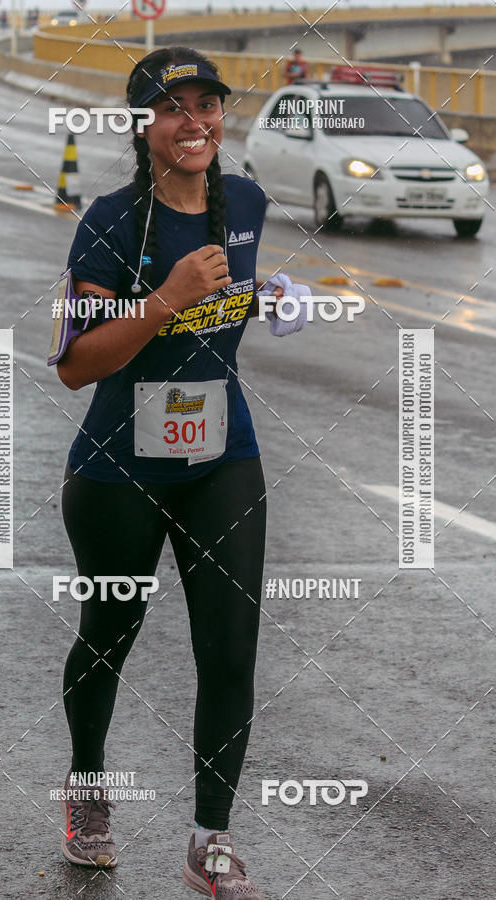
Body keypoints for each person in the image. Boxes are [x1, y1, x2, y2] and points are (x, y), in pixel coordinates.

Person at [52, 45, 307, 898]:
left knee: (231, 647)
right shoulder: (109, 222)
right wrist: (165, 300)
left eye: (207, 104)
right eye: (173, 107)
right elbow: (77, 363)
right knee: (109, 635)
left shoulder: (249, 205)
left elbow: (227, 293)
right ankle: (88, 792)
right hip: (120, 468)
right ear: (142, 125)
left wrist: (266, 294)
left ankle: (211, 839)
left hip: (219, 461)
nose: (194, 121)